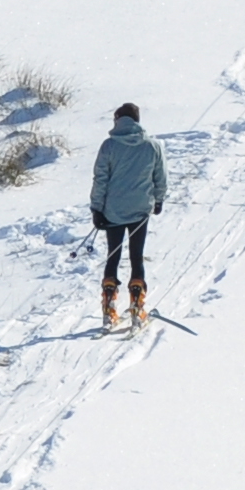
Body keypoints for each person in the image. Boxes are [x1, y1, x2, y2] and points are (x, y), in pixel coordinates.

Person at [90, 103, 165, 331]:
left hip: (113, 210)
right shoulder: (152, 146)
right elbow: (159, 177)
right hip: (140, 210)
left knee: (113, 256)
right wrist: (158, 200)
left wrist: (97, 209)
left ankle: (108, 309)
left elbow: (100, 178)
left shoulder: (109, 146)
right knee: (136, 257)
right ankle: (136, 307)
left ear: (117, 119)